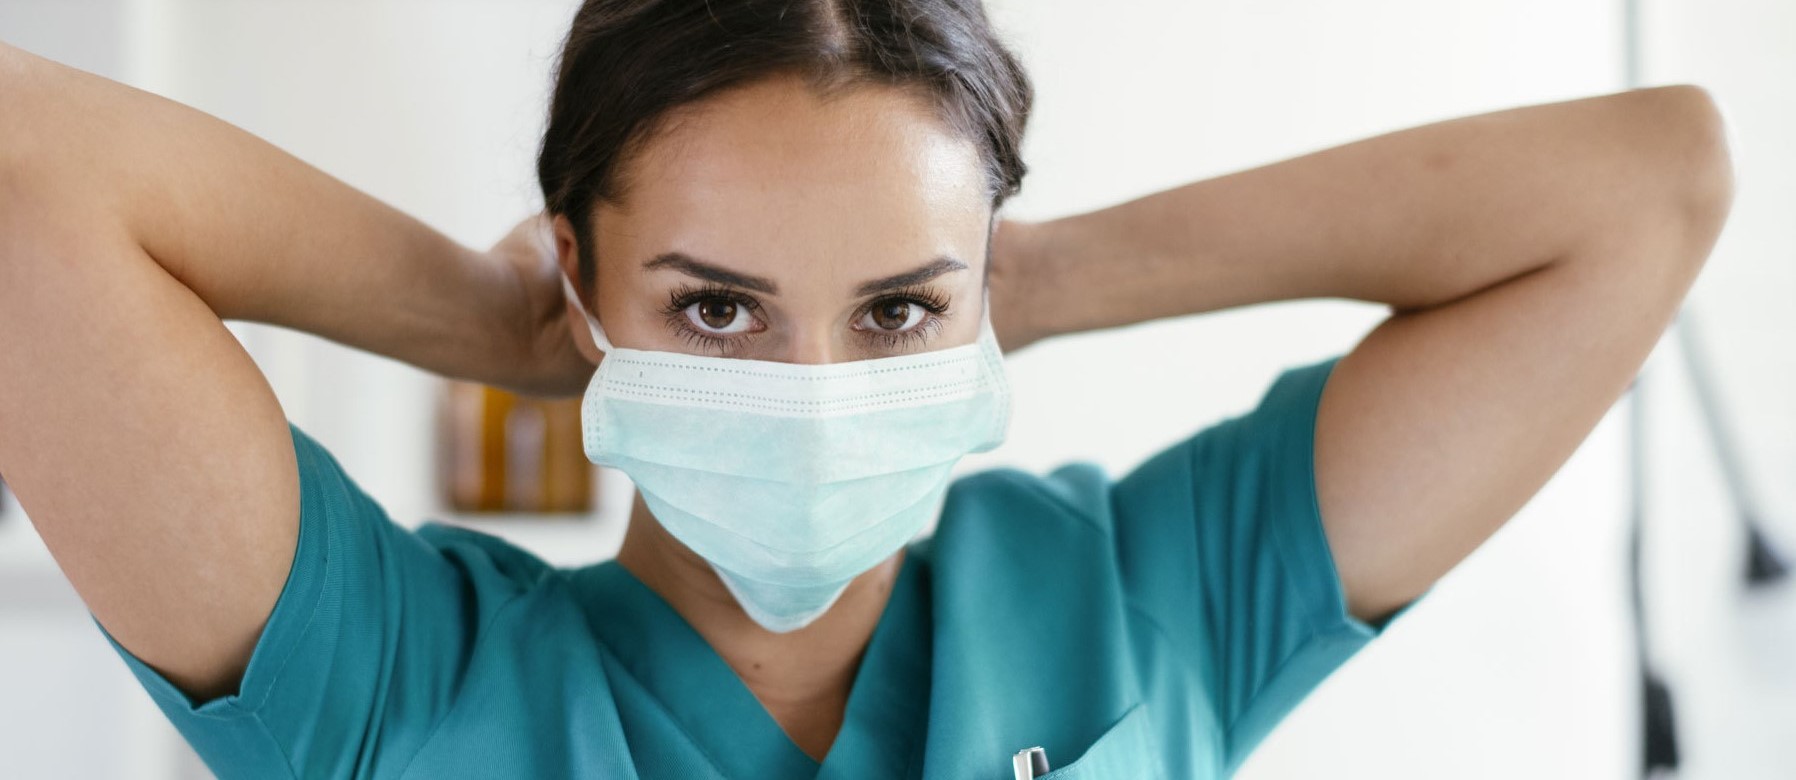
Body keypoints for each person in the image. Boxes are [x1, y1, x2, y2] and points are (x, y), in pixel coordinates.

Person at [0, 0, 1733, 776]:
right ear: (585, 285)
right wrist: (477, 319)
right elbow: (23, 164)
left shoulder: (1154, 603)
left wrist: (1030, 281)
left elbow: (1652, 181)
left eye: (893, 312)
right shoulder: (391, 684)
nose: (818, 386)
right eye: (723, 312)